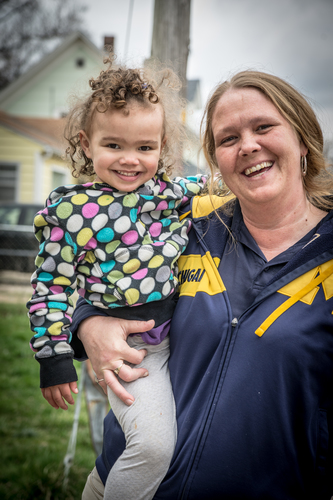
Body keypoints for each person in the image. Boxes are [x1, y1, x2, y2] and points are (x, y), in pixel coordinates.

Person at [71, 69, 333, 500]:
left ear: (302, 138)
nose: (248, 145)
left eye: (264, 127)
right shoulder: (185, 225)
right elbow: (90, 276)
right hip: (124, 484)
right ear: (216, 158)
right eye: (228, 139)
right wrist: (88, 323)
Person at [26, 57, 206, 500]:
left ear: (162, 147)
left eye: (145, 148)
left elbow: (216, 187)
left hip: (177, 342)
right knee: (153, 447)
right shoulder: (71, 212)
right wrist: (53, 357)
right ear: (87, 144)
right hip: (131, 353)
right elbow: (50, 285)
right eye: (114, 145)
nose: (131, 160)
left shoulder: (168, 194)